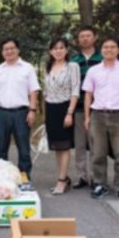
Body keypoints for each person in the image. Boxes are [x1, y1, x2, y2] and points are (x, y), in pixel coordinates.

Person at [83, 36, 119, 200]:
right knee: (97, 153)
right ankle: (100, 184)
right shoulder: (94, 71)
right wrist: (87, 117)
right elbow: (88, 95)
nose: (109, 50)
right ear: (101, 50)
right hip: (97, 115)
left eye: (112, 47)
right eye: (105, 47)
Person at [0, 37, 40, 176]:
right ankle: (2, 179)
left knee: (24, 149)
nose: (9, 51)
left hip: (21, 114)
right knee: (1, 149)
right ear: (2, 52)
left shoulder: (27, 68)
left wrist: (32, 111)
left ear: (18, 50)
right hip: (2, 114)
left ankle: (24, 179)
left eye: (12, 48)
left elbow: (33, 91)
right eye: (6, 49)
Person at [43, 38, 80, 194]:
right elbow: (46, 92)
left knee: (64, 146)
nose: (58, 51)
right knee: (57, 146)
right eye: (55, 48)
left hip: (65, 108)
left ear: (66, 50)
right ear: (50, 51)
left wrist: (69, 113)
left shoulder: (72, 66)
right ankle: (63, 177)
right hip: (51, 109)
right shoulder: (48, 67)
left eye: (61, 48)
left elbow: (75, 90)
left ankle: (61, 180)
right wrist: (45, 116)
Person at [70, 25, 103, 189]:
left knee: (96, 144)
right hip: (78, 108)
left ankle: (96, 177)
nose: (85, 38)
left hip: (98, 108)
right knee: (80, 144)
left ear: (94, 37)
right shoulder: (73, 60)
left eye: (88, 35)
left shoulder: (102, 57)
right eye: (82, 36)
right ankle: (82, 176)